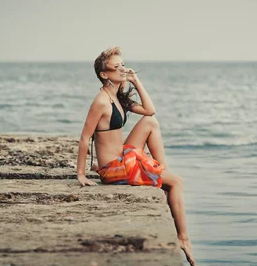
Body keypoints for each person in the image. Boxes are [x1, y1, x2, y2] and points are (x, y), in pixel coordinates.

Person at [76, 47, 195, 266]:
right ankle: (183, 238)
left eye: (123, 64)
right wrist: (81, 174)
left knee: (151, 122)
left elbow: (150, 110)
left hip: (121, 156)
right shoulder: (101, 101)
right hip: (114, 168)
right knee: (177, 182)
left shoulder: (117, 98)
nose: (123, 69)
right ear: (104, 74)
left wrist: (136, 81)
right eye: (117, 66)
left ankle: (162, 170)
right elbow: (84, 137)